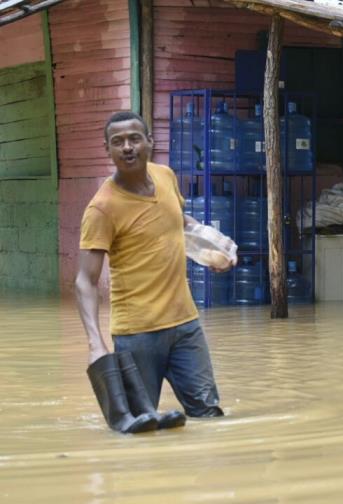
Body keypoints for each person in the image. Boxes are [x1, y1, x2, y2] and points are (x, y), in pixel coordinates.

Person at [75, 111, 235, 431]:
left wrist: (211, 247)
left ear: (151, 141)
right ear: (107, 150)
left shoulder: (165, 175)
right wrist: (95, 344)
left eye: (135, 138)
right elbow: (85, 281)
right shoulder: (102, 208)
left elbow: (179, 219)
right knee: (139, 424)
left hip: (185, 325)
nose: (128, 147)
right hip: (137, 333)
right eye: (117, 142)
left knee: (208, 415)